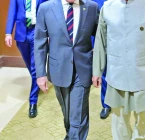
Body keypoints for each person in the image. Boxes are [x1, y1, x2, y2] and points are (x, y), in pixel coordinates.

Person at [92, 0, 145, 139]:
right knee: (119, 119)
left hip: (143, 71)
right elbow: (101, 41)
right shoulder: (108, 6)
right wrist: (97, 71)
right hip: (117, 72)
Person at [34, 0, 99, 139]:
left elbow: (100, 39)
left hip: (83, 69)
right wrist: (40, 74)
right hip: (58, 69)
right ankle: (71, 134)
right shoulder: (46, 8)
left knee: (78, 115)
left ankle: (74, 136)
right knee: (68, 113)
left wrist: (98, 69)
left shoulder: (91, 7)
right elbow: (40, 43)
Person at [5, 0, 48, 118]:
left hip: (37, 31)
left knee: (35, 67)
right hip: (21, 32)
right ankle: (38, 79)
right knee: (30, 65)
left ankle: (33, 101)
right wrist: (8, 33)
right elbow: (12, 13)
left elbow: (49, 11)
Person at [92, 0, 111, 119]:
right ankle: (106, 104)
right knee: (104, 73)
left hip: (120, 40)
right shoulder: (95, 2)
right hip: (102, 41)